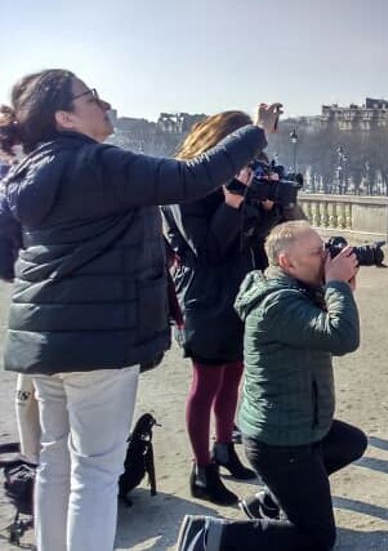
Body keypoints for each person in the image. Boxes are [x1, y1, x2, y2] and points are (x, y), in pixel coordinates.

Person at [0, 68, 280, 551]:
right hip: (98, 340)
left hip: (39, 337)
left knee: (55, 462)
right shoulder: (101, 164)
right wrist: (256, 132)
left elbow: (8, 254)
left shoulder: (24, 172)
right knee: (96, 472)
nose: (103, 102)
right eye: (90, 97)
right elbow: (192, 177)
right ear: (65, 117)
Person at [176, 220, 365, 551]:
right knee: (316, 540)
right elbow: (342, 337)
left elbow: (326, 320)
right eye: (318, 252)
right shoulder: (277, 303)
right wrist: (336, 284)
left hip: (295, 426)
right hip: (282, 441)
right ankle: (208, 537)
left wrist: (338, 285)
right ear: (287, 262)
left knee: (349, 442)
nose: (326, 257)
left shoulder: (292, 290)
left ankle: (269, 502)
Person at [163, 111, 296, 505]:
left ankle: (224, 449)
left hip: (241, 286)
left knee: (234, 375)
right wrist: (234, 201)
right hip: (204, 292)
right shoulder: (184, 183)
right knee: (205, 383)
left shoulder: (231, 178)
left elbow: (252, 238)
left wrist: (268, 205)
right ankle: (202, 470)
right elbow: (207, 248)